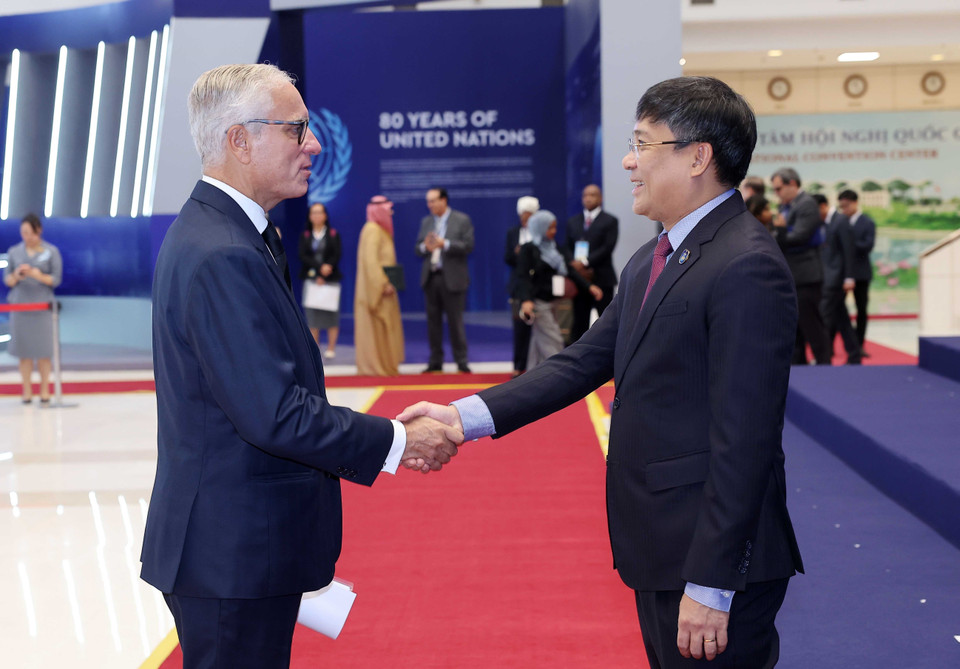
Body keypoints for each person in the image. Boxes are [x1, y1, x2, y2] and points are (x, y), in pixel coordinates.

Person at [401, 76, 803, 669]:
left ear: (697, 157)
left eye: (642, 144)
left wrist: (712, 583)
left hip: (711, 565)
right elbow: (581, 361)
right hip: (662, 546)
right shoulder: (654, 256)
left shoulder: (746, 264)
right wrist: (462, 417)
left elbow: (746, 440)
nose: (628, 161)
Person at [140, 63, 460, 669]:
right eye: (297, 130)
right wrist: (397, 440)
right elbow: (274, 414)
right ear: (239, 140)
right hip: (232, 557)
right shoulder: (222, 253)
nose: (313, 144)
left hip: (241, 550)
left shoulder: (237, 235)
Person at [517, 210, 601, 370]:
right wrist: (526, 300)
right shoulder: (528, 249)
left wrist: (589, 286)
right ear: (540, 228)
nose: (554, 231)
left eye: (555, 228)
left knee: (539, 339)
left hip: (555, 301)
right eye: (550, 228)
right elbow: (522, 277)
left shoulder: (555, 247)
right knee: (553, 339)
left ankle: (534, 375)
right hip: (538, 303)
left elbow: (570, 271)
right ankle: (558, 372)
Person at [771, 167, 832, 365]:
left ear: (793, 184)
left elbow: (799, 237)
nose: (776, 194)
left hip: (806, 274)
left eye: (779, 189)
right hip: (792, 274)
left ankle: (824, 367)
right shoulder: (785, 206)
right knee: (795, 328)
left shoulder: (806, 204)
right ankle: (799, 368)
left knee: (812, 326)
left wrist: (779, 231)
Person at [2, 213, 63, 404]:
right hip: (21, 306)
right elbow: (7, 280)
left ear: (39, 230)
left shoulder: (51, 251)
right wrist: (18, 275)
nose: (26, 237)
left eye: (30, 233)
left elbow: (56, 279)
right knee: (24, 352)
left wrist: (37, 275)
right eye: (23, 233)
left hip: (42, 307)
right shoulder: (14, 252)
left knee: (44, 352)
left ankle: (45, 390)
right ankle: (26, 391)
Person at [415, 187, 474, 373]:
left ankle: (461, 361)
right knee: (433, 323)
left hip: (453, 278)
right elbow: (417, 248)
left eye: (433, 201)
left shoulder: (461, 219)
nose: (430, 205)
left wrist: (445, 244)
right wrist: (425, 247)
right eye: (428, 202)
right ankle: (435, 361)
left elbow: (468, 246)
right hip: (431, 277)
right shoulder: (426, 221)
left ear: (444, 200)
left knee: (455, 322)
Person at [354, 195, 404, 376]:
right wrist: (383, 284)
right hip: (377, 290)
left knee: (386, 329)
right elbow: (370, 262)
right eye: (387, 208)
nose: (391, 212)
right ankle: (376, 369)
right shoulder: (372, 230)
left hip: (385, 289)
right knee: (378, 328)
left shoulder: (380, 231)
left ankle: (386, 366)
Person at [565, 184, 618, 342]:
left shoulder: (610, 221)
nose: (588, 198)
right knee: (579, 324)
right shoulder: (573, 222)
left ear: (600, 198)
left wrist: (586, 262)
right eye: (585, 195)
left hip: (602, 278)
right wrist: (574, 265)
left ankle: (609, 361)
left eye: (593, 195)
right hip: (580, 281)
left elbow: (608, 247)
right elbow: (567, 247)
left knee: (606, 322)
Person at [814, 194, 860, 364]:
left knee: (824, 317)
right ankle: (854, 355)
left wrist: (849, 277)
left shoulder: (840, 221)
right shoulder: (823, 223)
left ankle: (823, 358)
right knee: (842, 319)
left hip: (836, 279)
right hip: (827, 276)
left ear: (823, 206)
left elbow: (849, 251)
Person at [297, 202, 342, 358]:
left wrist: (326, 269)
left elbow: (336, 254)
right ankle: (315, 348)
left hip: (331, 279)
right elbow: (303, 256)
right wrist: (318, 270)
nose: (316, 216)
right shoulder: (306, 235)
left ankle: (331, 348)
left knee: (331, 314)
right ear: (310, 217)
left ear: (325, 215)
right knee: (312, 315)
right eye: (313, 213)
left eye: (319, 212)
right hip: (311, 280)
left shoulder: (333, 234)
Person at [836, 189, 876, 355]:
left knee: (861, 309)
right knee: (836, 307)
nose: (844, 209)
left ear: (854, 203)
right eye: (841, 207)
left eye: (846, 206)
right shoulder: (839, 221)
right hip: (842, 272)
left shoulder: (867, 222)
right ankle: (834, 344)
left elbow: (868, 245)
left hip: (861, 272)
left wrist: (849, 243)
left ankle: (859, 345)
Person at [505, 196, 539, 377]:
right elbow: (507, 257)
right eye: (522, 216)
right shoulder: (513, 232)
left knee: (540, 329)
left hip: (538, 285)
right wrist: (517, 253)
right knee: (520, 329)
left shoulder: (541, 232)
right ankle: (519, 366)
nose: (524, 219)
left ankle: (539, 366)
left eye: (528, 216)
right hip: (518, 286)